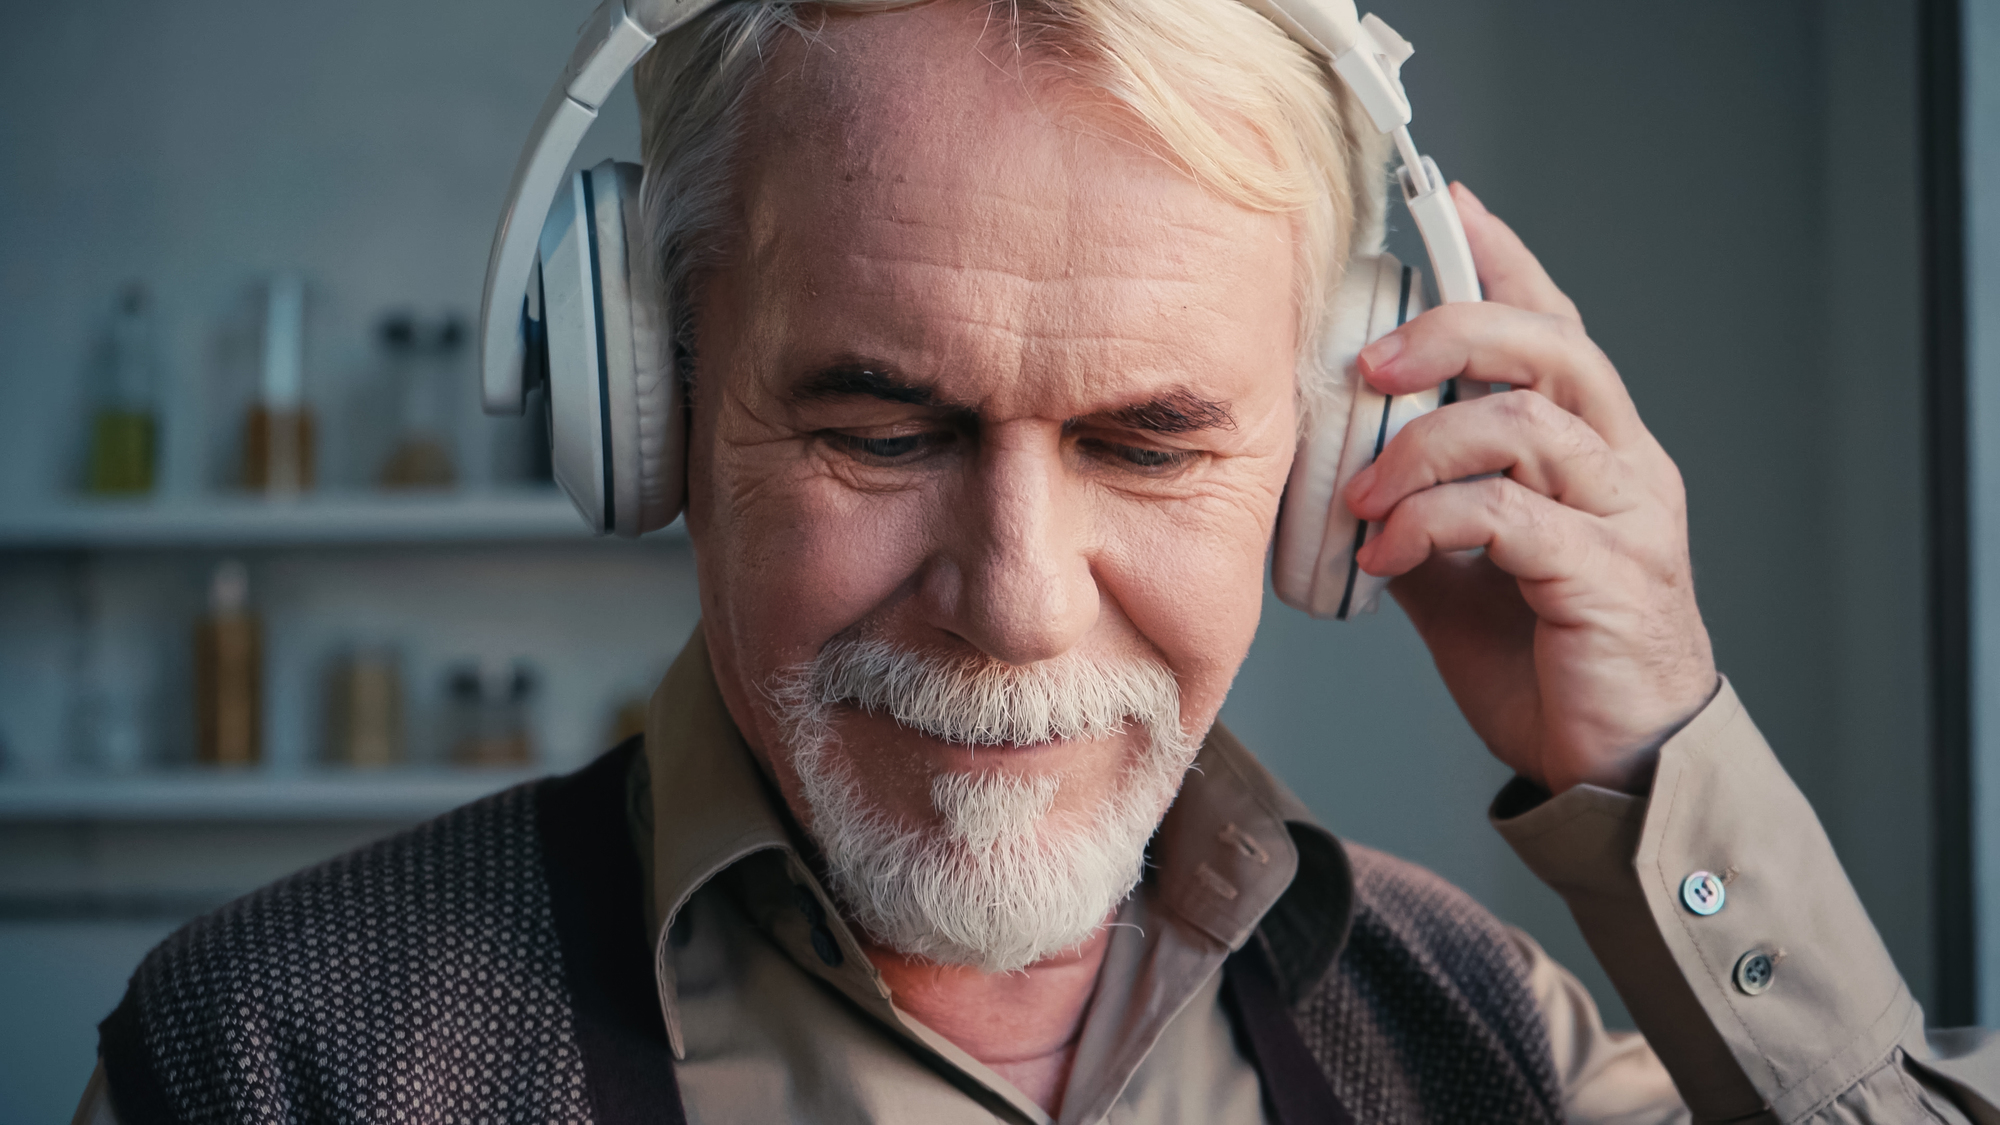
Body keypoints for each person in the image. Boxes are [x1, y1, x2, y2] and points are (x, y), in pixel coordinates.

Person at [76, 0, 2000, 1121]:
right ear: (649, 404)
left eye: (1151, 441)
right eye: (880, 429)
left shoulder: (1483, 1037)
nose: (1014, 596)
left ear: (1341, 443)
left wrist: (1661, 756)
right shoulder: (273, 1057)